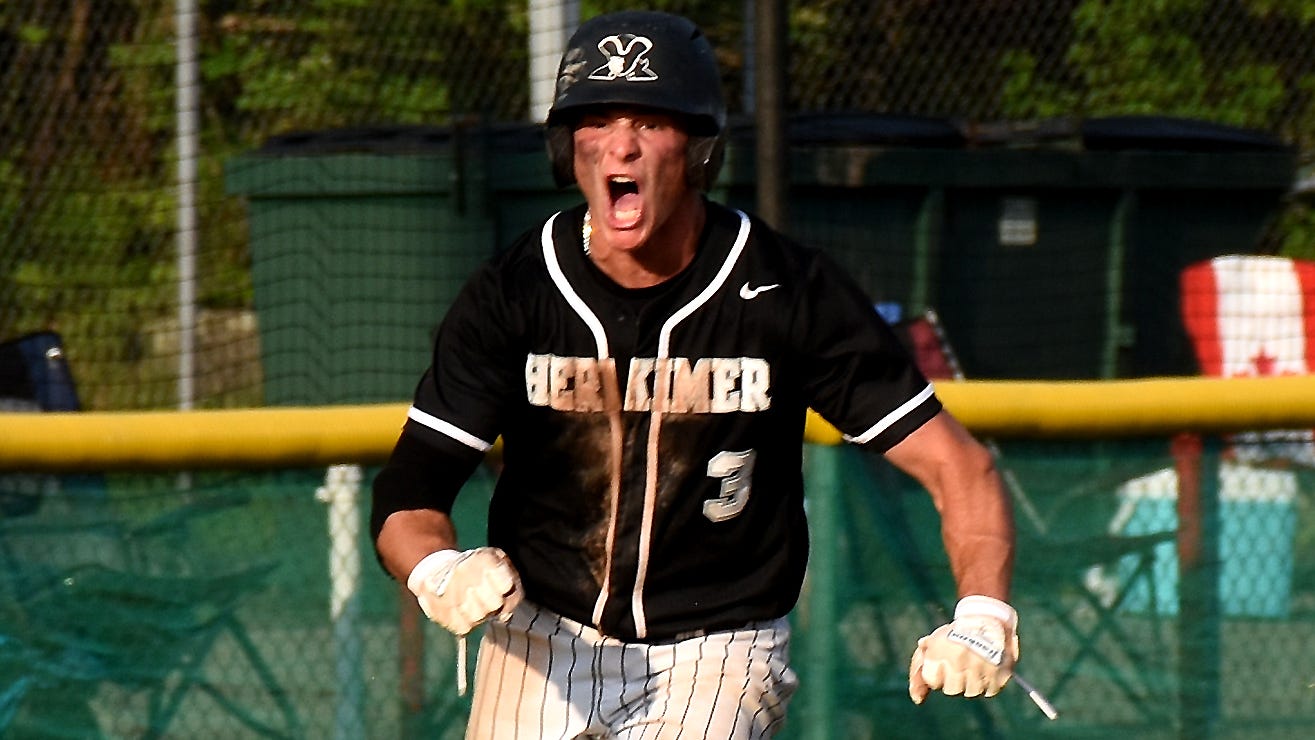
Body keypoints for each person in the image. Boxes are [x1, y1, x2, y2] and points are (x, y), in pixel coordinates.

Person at [371, 9, 1017, 739]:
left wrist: (983, 615)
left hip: (717, 650)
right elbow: (409, 491)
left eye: (650, 121)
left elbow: (959, 467)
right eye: (597, 119)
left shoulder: (783, 288)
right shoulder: (518, 289)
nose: (621, 144)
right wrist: (436, 573)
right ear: (566, 146)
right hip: (540, 640)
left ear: (698, 147)